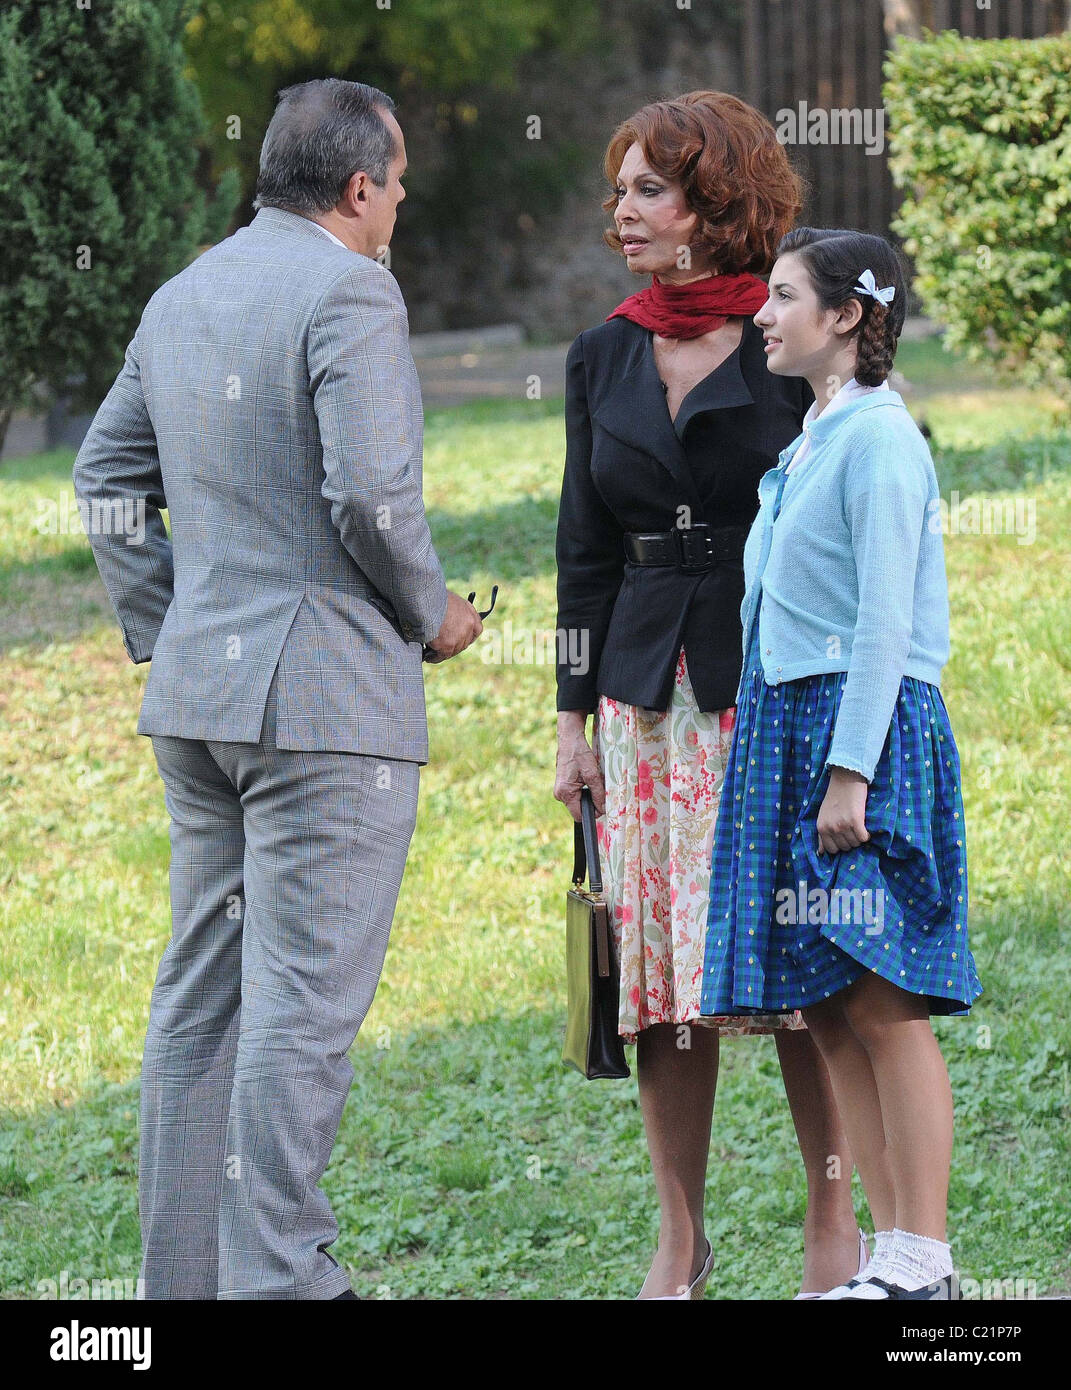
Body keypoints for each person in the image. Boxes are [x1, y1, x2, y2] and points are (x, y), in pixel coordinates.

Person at [72, 78, 482, 1299]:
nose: (401, 201)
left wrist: (171, 626)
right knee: (301, 1015)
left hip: (200, 705)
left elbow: (102, 474)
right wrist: (437, 612)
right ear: (359, 189)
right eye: (398, 182)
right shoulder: (351, 288)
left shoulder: (185, 289)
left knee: (201, 1003)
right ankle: (284, 1284)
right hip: (325, 712)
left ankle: (181, 1293)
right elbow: (370, 496)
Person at [554, 92, 867, 1300]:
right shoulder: (602, 350)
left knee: (791, 974)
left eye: (649, 190)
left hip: (770, 690)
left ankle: (832, 1227)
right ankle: (680, 1237)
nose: (621, 212)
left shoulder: (792, 341)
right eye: (619, 188)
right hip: (644, 700)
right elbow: (582, 547)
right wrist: (571, 723)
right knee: (662, 991)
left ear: (716, 204)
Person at [700, 226, 982, 1300]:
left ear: (846, 318)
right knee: (823, 1002)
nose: (761, 316)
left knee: (878, 994)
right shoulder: (811, 439)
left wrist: (850, 771)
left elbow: (881, 626)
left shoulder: (878, 438)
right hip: (788, 735)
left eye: (781, 298)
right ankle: (887, 1251)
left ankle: (927, 1255)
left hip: (857, 739)